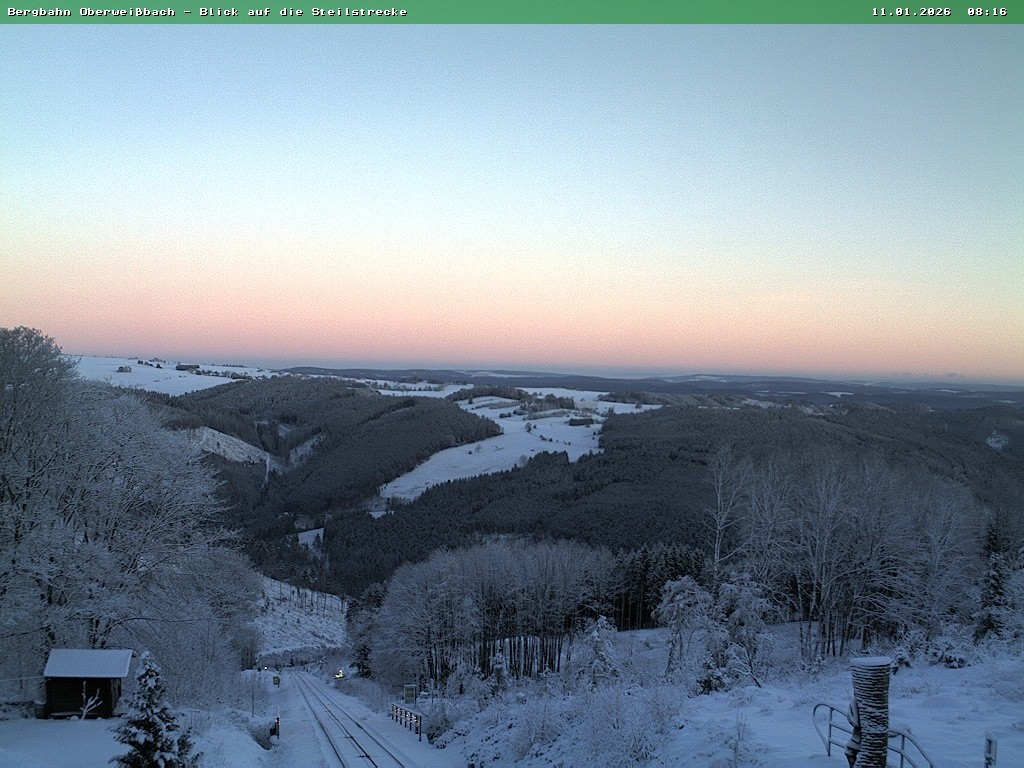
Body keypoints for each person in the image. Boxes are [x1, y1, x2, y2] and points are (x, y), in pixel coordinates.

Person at [844, 697, 861, 768]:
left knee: (850, 751)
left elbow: (855, 722)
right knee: (849, 751)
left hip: (861, 739)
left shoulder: (856, 702)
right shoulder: (855, 702)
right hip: (857, 738)